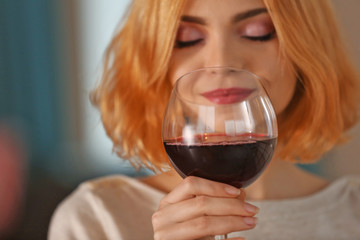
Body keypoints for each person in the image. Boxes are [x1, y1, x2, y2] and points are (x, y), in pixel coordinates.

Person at [48, 0, 360, 239]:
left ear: (306, 48)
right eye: (188, 38)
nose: (222, 62)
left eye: (257, 33)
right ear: (156, 62)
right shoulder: (98, 218)